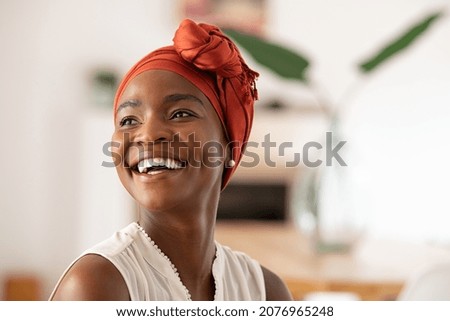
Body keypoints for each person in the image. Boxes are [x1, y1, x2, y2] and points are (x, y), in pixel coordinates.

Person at [50, 19, 292, 301]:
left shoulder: (264, 291)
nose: (148, 135)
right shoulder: (97, 284)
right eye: (129, 120)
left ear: (229, 145)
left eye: (180, 114)